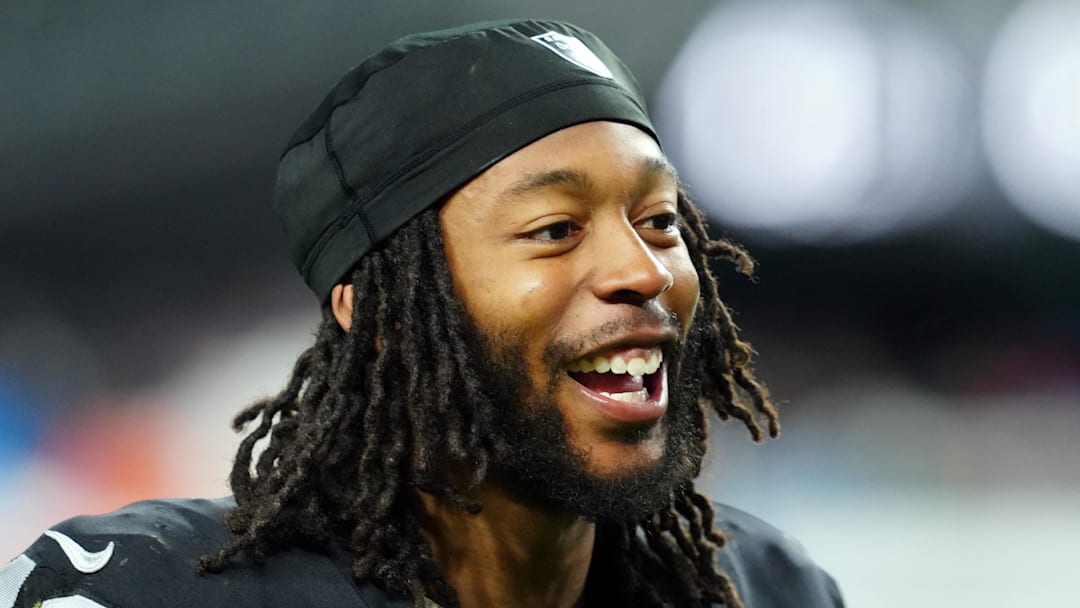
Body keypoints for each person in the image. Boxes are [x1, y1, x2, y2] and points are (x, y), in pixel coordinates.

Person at [0, 19, 843, 608]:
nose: (642, 269)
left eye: (660, 222)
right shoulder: (144, 591)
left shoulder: (767, 588)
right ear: (378, 314)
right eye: (554, 230)